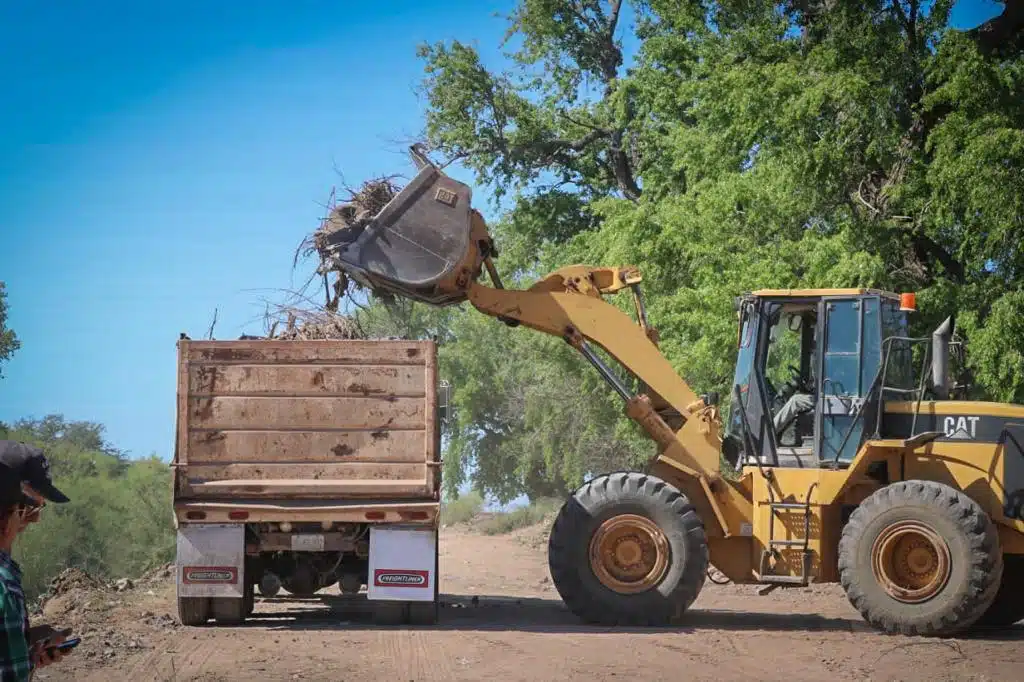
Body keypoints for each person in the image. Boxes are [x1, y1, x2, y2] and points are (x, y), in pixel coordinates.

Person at [0, 462, 70, 681]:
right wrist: (25, 661)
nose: (34, 518)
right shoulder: (5, 586)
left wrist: (23, 643)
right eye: (26, 508)